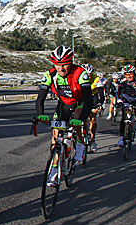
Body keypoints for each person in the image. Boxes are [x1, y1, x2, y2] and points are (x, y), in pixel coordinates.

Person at [35, 46, 93, 186]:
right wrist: (40, 115)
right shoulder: (50, 75)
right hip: (63, 105)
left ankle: (80, 145)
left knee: (76, 121)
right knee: (55, 138)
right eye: (57, 64)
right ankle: (54, 170)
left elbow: (89, 99)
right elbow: (40, 98)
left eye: (65, 64)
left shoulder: (80, 73)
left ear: (71, 62)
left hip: (80, 102)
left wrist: (81, 119)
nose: (60, 68)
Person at [117, 65, 136, 146]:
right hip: (126, 97)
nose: (129, 76)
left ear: (134, 73)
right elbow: (118, 92)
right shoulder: (122, 80)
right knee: (124, 117)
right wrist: (119, 101)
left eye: (131, 74)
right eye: (126, 74)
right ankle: (122, 138)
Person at [81, 64, 104, 152]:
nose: (88, 77)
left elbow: (101, 93)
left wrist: (100, 103)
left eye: (89, 75)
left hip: (92, 97)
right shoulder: (78, 77)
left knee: (92, 118)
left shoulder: (96, 79)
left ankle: (93, 139)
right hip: (81, 96)